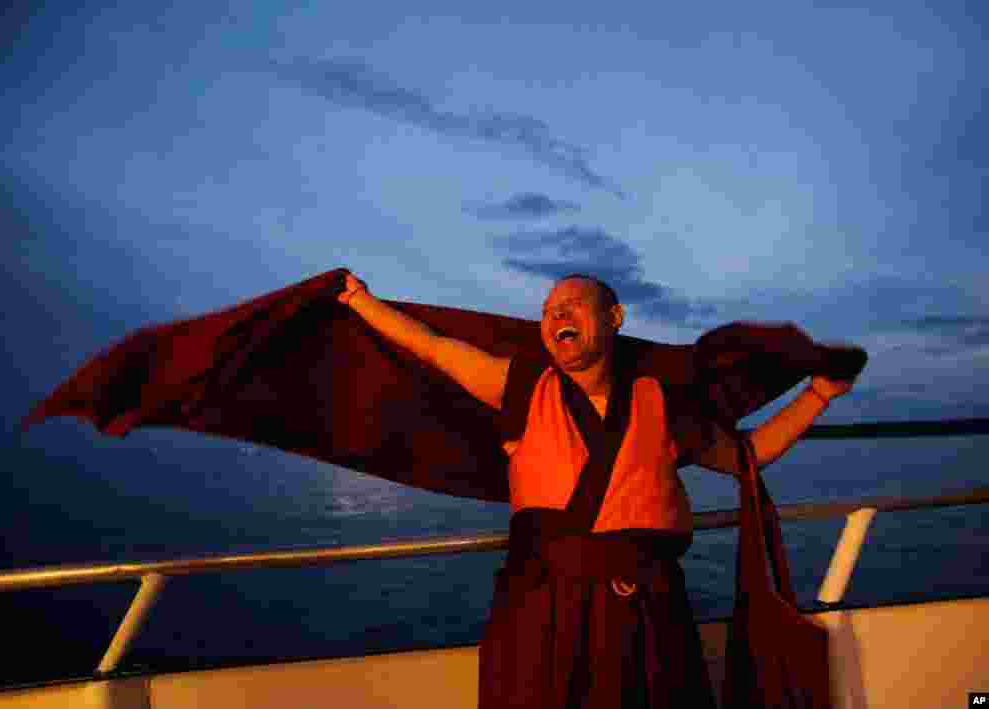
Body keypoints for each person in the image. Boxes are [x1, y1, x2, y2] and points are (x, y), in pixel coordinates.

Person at [337, 271, 853, 708]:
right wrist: (361, 301)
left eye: (571, 305)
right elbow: (432, 347)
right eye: (547, 311)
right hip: (543, 606)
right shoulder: (519, 387)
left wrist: (818, 395)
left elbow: (750, 455)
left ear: (614, 318)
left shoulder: (663, 403)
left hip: (648, 606)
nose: (556, 315)